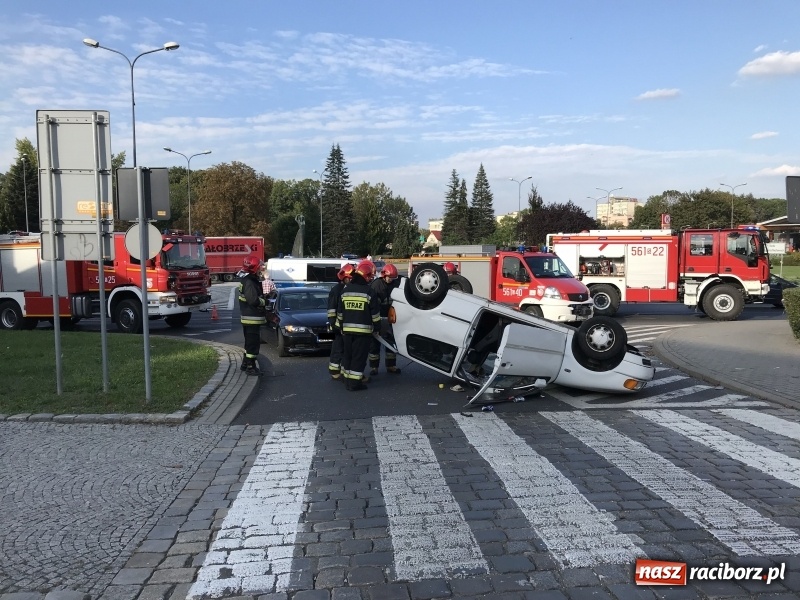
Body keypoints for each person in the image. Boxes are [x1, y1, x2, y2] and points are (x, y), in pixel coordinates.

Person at [336, 260, 380, 391]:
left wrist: (341, 327)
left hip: (347, 332)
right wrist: (377, 328)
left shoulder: (345, 291)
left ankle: (346, 379)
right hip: (363, 332)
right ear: (366, 276)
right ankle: (354, 383)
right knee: (358, 358)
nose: (370, 279)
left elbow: (340, 312)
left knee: (348, 356)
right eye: (370, 277)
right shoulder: (369, 292)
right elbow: (375, 315)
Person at [368, 263, 402, 376]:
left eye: (393, 278)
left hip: (391, 319)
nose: (391, 280)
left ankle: (391, 365)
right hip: (378, 318)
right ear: (383, 275)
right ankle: (374, 367)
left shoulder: (396, 284)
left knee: (391, 343)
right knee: (374, 344)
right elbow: (373, 306)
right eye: (389, 278)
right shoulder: (376, 285)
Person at [237, 254, 267, 375]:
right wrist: (265, 301)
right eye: (259, 267)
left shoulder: (249, 280)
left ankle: (245, 364)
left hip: (249, 318)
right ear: (254, 268)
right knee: (253, 344)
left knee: (249, 343)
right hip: (252, 318)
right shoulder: (249, 282)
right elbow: (253, 300)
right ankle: (251, 367)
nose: (261, 269)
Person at [327, 263, 354, 379]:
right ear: (345, 277)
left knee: (346, 349)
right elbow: (332, 309)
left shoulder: (347, 289)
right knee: (338, 348)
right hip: (338, 325)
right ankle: (334, 371)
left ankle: (343, 370)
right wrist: (334, 324)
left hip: (346, 325)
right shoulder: (336, 290)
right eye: (350, 278)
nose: (351, 280)